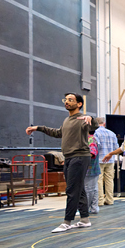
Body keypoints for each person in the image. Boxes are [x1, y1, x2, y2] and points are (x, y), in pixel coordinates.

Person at [25, 93, 98, 232]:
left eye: (71, 100)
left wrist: (91, 119)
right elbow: (58, 133)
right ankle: (84, 220)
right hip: (69, 157)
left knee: (71, 189)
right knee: (79, 188)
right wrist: (38, 128)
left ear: (79, 104)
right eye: (66, 100)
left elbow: (94, 128)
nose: (67, 102)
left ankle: (67, 221)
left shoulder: (82, 119)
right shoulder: (67, 120)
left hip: (79, 157)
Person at [94, 117, 118, 206]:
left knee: (99, 180)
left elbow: (96, 146)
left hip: (99, 160)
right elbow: (116, 148)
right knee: (109, 180)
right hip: (111, 160)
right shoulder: (112, 133)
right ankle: (110, 200)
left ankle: (100, 201)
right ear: (104, 123)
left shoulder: (96, 133)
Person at [84, 133, 100, 214]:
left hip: (90, 169)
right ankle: (94, 208)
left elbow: (92, 152)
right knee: (94, 189)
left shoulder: (90, 139)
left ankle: (85, 209)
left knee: (88, 189)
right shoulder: (93, 138)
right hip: (93, 168)